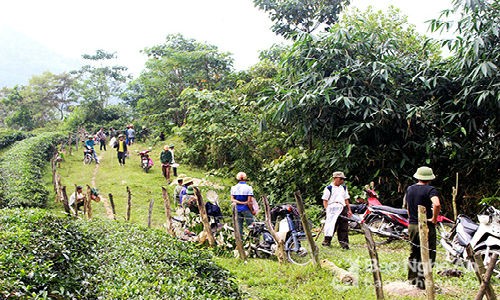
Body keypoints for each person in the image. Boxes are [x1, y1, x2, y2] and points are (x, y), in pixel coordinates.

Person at [406, 166, 441, 290]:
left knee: (414, 252)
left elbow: (408, 207)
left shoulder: (410, 189)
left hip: (412, 225)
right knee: (428, 253)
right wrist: (434, 219)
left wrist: (411, 218)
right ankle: (423, 282)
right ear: (430, 178)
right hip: (425, 225)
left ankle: (412, 279)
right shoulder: (430, 190)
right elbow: (436, 203)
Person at [321, 171, 352, 249]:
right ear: (335, 178)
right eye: (340, 179)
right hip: (332, 208)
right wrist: (327, 210)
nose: (342, 181)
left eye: (343, 179)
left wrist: (349, 210)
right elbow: (325, 200)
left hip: (342, 207)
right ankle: (327, 241)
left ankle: (344, 244)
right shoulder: (329, 188)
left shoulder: (343, 188)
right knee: (331, 225)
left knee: (343, 226)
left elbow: (346, 199)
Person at [230, 172, 254, 237]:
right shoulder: (249, 188)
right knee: (252, 226)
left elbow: (232, 199)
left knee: (238, 226)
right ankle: (253, 239)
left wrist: (239, 202)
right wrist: (252, 210)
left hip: (237, 209)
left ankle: (240, 241)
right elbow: (249, 202)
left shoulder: (233, 188)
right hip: (246, 209)